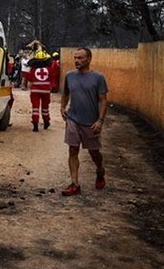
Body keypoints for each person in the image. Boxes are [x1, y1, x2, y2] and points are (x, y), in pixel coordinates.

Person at [59, 47, 109, 196]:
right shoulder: (69, 76)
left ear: (88, 59)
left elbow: (103, 100)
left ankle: (100, 171)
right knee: (72, 150)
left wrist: (100, 121)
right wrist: (62, 107)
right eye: (75, 58)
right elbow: (66, 93)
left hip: (91, 122)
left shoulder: (98, 78)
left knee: (94, 153)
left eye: (80, 58)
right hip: (73, 119)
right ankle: (75, 184)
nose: (77, 61)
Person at [25, 49, 53, 131]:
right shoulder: (49, 69)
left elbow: (29, 77)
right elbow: (51, 78)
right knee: (45, 108)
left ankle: (35, 124)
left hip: (35, 91)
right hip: (46, 91)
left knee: (35, 108)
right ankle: (46, 122)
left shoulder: (33, 69)